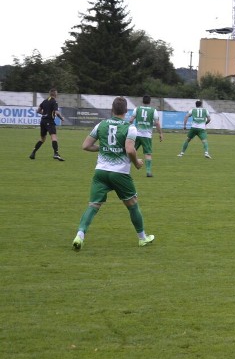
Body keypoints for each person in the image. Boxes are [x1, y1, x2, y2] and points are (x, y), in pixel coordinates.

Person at [71, 96, 155, 250]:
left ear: (112, 110)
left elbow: (86, 146)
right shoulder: (130, 128)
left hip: (100, 172)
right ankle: (143, 238)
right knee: (133, 205)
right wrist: (137, 163)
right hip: (119, 173)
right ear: (126, 111)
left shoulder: (101, 124)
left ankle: (80, 235)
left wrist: (103, 148)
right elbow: (130, 149)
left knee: (93, 205)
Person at [128, 94, 163, 177]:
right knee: (148, 154)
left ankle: (125, 170)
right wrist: (160, 133)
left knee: (130, 152)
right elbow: (157, 123)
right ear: (150, 101)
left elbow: (131, 120)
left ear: (142, 101)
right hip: (147, 135)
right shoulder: (153, 110)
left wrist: (128, 130)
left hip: (136, 134)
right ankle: (148, 172)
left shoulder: (137, 109)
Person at [29, 88, 66, 161]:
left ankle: (33, 153)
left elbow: (38, 111)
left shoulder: (45, 101)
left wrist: (45, 114)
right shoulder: (54, 101)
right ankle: (56, 154)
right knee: (54, 137)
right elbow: (57, 112)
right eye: (57, 93)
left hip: (43, 121)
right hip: (50, 121)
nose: (57, 94)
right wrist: (61, 118)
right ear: (55, 94)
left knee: (42, 139)